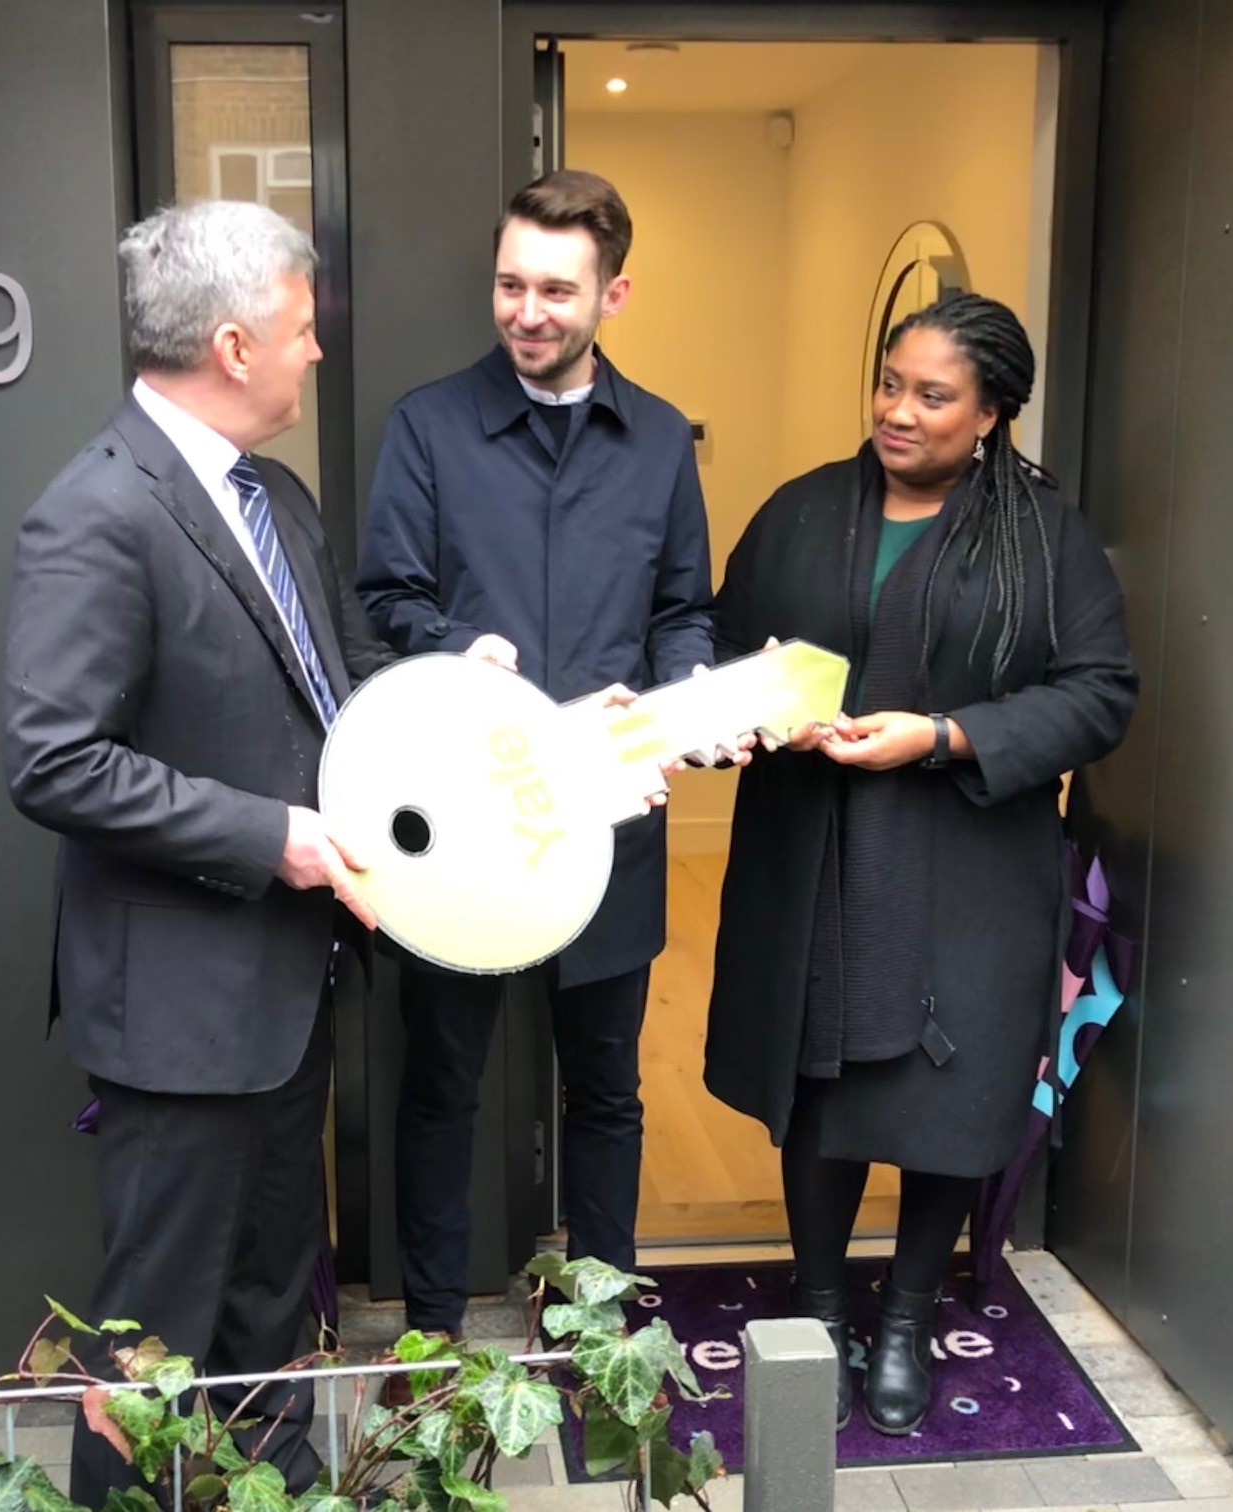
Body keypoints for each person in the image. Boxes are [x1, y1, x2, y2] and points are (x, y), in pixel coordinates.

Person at [1, 199, 390, 1504]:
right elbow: (54, 757)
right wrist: (270, 836)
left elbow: (344, 681)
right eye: (299, 328)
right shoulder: (97, 514)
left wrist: (478, 696)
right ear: (232, 345)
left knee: (278, 1316)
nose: (315, 351)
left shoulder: (273, 494)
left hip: (289, 996)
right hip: (177, 1021)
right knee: (148, 1353)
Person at [703, 293, 1137, 1436]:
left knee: (952, 1096)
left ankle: (900, 1317)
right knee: (821, 1084)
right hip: (815, 847)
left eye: (932, 396)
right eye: (890, 383)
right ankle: (820, 1304)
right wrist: (757, 713)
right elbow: (721, 646)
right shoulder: (800, 512)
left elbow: (1100, 694)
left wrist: (942, 735)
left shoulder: (1047, 537)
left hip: (972, 860)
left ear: (992, 412)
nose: (898, 411)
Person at [357, 170, 715, 1342]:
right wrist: (465, 656)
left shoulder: (662, 440)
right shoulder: (428, 425)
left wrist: (680, 697)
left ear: (616, 293)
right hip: (461, 822)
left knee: (606, 1091)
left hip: (608, 823)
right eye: (510, 282)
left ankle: (603, 1333)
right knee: (440, 1090)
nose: (526, 310)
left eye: (556, 289)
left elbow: (682, 612)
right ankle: (431, 1336)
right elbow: (388, 601)